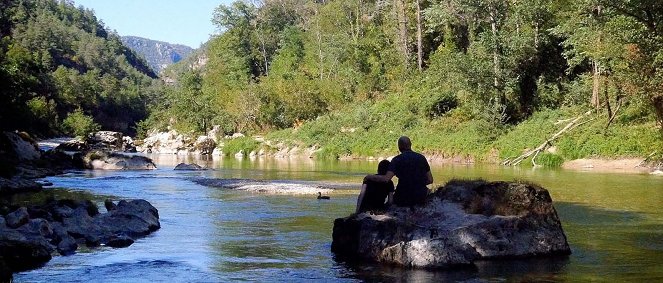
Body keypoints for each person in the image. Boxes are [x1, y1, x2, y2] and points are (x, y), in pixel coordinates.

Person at [364, 136, 433, 207]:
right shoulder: (422, 158)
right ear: (410, 145)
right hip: (421, 195)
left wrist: (369, 177)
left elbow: (386, 179)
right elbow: (430, 180)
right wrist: (417, 183)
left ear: (399, 147)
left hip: (403, 197)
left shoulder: (397, 160)